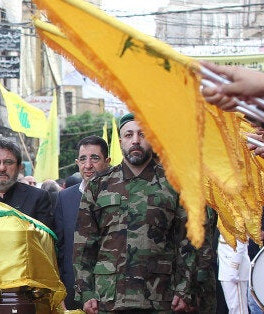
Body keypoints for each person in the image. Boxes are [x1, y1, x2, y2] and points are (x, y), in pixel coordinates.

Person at [73, 113, 195, 313]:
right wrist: (85, 292)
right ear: (121, 142)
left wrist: (185, 290)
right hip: (108, 297)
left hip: (160, 297)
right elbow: (84, 245)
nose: (135, 140)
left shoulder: (174, 185)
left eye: (142, 134)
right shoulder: (99, 185)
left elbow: (188, 242)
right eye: (129, 135)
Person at [54, 135, 110, 310]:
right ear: (77, 162)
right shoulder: (64, 198)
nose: (88, 166)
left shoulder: (121, 195)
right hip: (73, 292)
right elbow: (59, 249)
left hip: (112, 292)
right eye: (83, 159)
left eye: (95, 158)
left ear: (107, 161)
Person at [218, 236, 250, 314]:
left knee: (238, 309)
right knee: (232, 307)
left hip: (234, 271)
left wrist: (234, 269)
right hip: (225, 269)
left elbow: (240, 245)